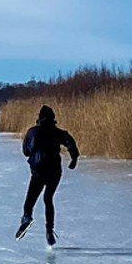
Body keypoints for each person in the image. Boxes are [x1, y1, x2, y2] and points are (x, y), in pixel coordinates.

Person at [16, 103, 78, 244]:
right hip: (54, 171)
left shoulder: (32, 132)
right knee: (48, 199)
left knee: (30, 200)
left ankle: (26, 217)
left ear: (39, 118)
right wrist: (74, 158)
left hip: (38, 171)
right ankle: (49, 229)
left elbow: (26, 151)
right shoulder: (57, 132)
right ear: (52, 118)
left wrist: (34, 153)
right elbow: (70, 141)